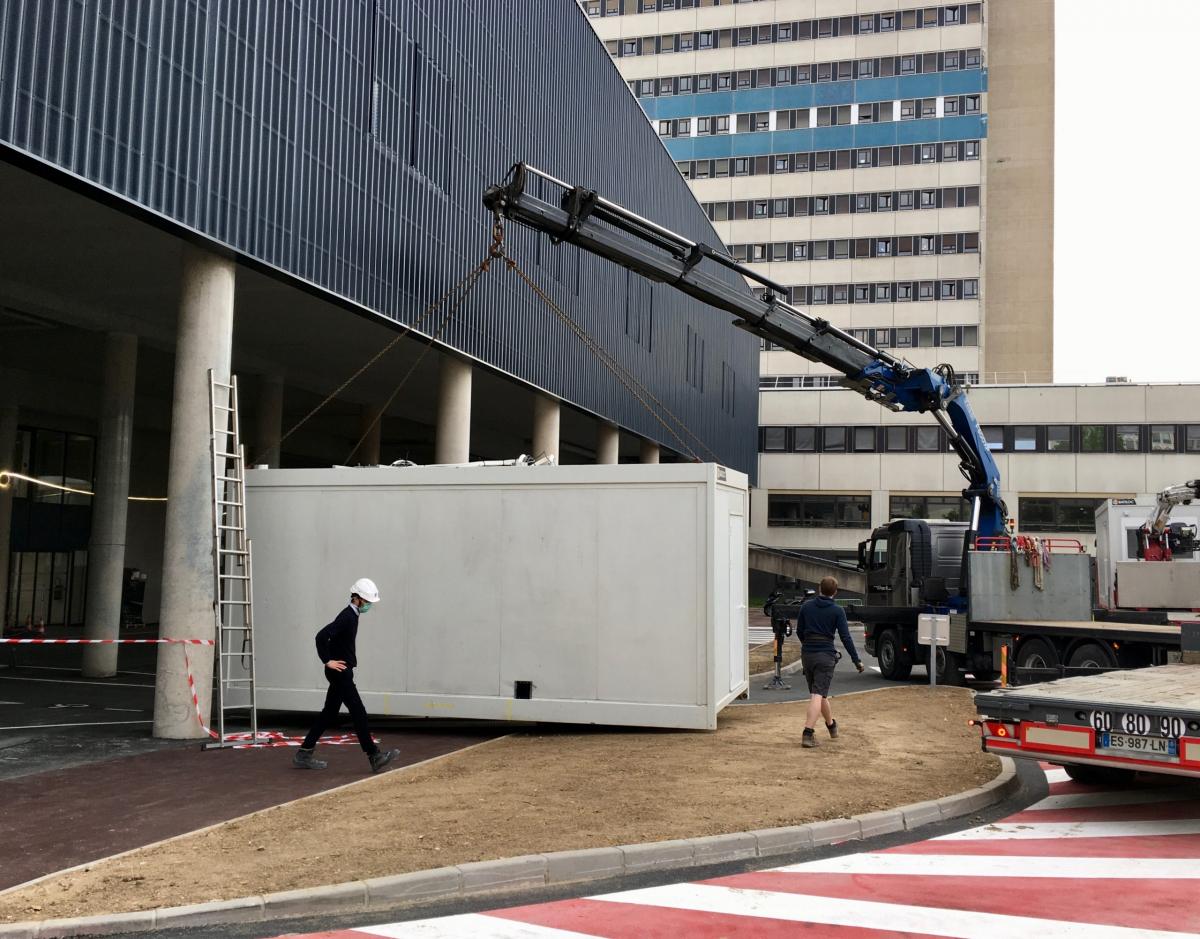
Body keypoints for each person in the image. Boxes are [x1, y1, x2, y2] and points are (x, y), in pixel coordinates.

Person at [293, 577, 400, 773]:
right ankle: (374, 756)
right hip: (340, 673)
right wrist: (327, 660)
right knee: (359, 712)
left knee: (329, 713)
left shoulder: (352, 614)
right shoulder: (347, 617)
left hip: (341, 672)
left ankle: (304, 753)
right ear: (357, 598)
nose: (368, 606)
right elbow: (320, 636)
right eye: (367, 602)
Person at [797, 576, 864, 748]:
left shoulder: (806, 606)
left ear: (819, 588)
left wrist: (808, 645)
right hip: (825, 655)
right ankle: (807, 733)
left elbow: (799, 631)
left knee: (818, 693)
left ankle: (831, 725)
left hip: (808, 654)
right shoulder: (837, 610)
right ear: (835, 592)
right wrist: (856, 660)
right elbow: (846, 637)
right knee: (817, 695)